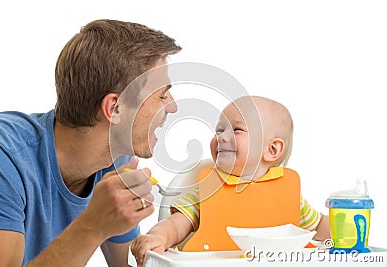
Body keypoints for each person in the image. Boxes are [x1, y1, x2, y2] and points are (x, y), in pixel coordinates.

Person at [0, 19, 181, 266]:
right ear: (115, 108)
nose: (172, 106)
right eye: (162, 95)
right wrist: (93, 225)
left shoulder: (114, 159)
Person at [131, 96, 330, 265]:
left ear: (272, 150)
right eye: (219, 130)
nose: (221, 137)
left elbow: (321, 227)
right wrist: (159, 237)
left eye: (236, 130)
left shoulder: (287, 196)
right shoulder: (207, 191)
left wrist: (351, 221)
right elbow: (175, 225)